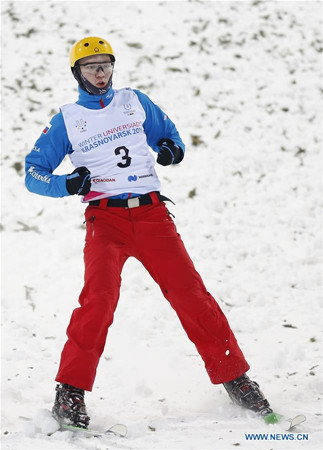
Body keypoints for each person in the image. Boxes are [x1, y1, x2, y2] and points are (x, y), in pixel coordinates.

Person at [25, 36, 273, 429]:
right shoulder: (67, 119)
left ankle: (235, 378)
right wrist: (68, 183)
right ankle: (69, 392)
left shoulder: (134, 101)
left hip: (153, 215)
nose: (100, 73)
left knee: (192, 295)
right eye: (91, 67)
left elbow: (169, 135)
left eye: (105, 65)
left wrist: (172, 149)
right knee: (98, 301)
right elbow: (33, 173)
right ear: (78, 73)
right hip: (105, 221)